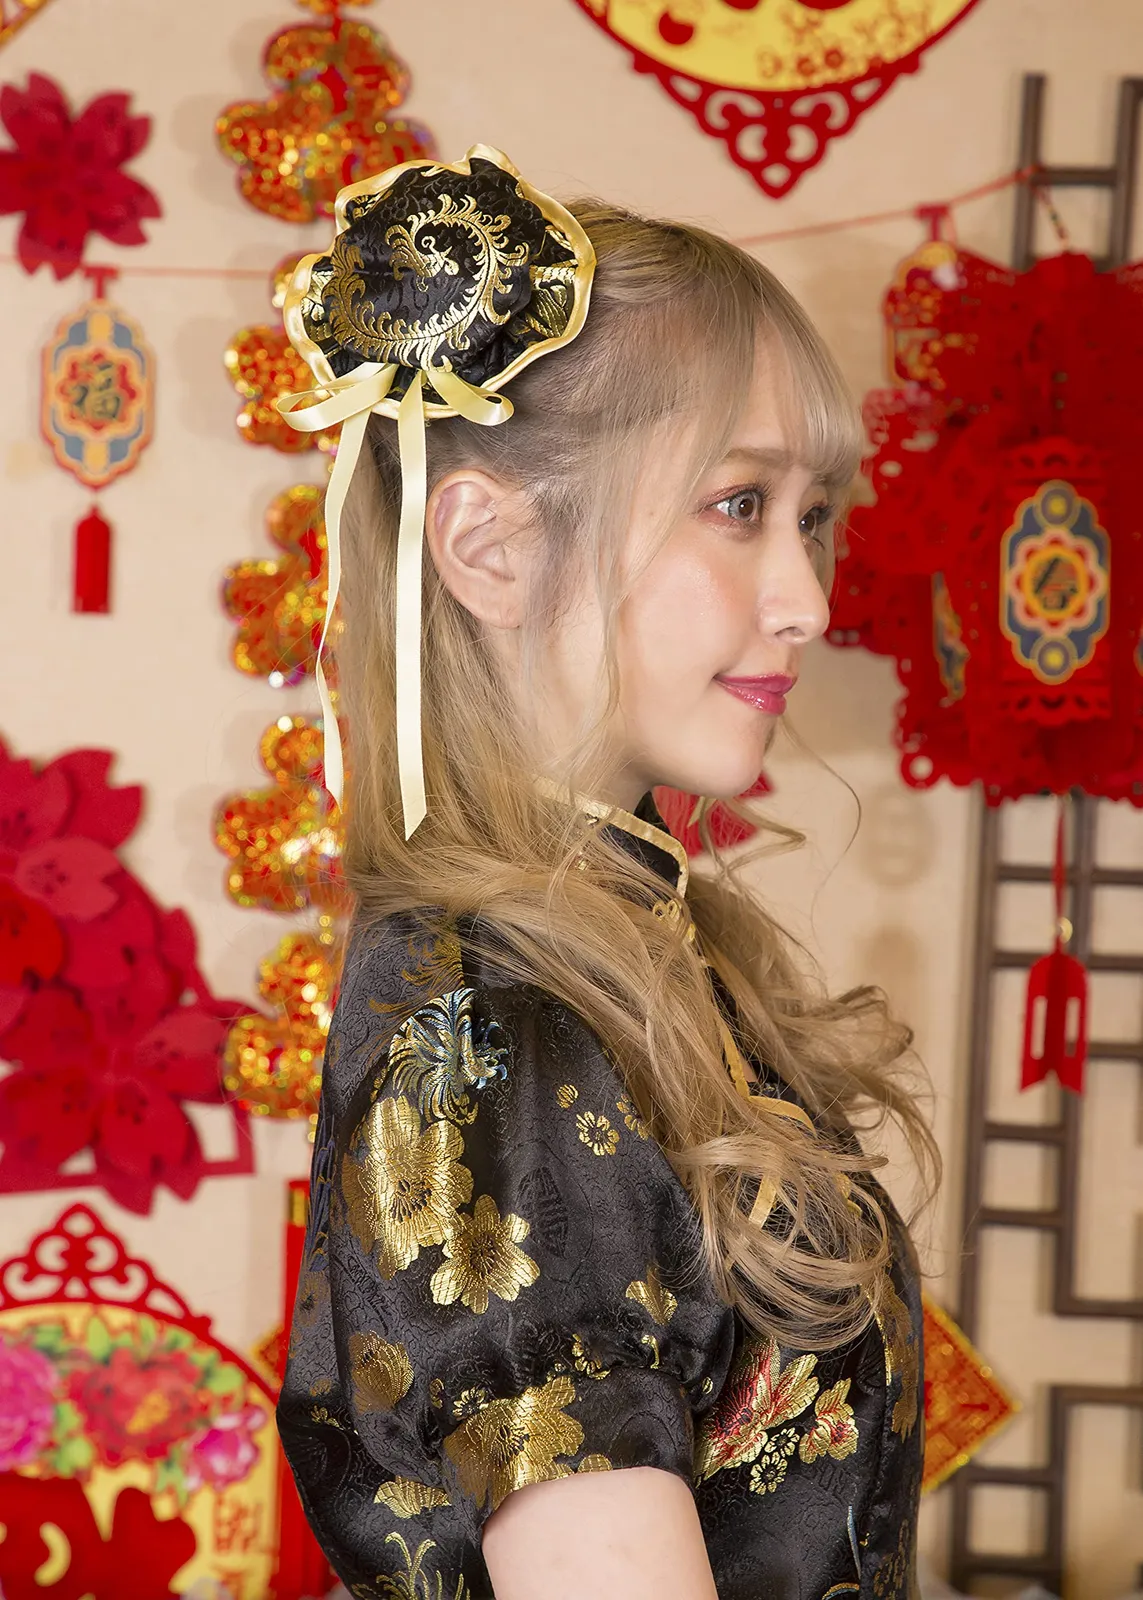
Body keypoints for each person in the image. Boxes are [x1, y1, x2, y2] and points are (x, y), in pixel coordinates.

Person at [275, 146, 936, 1600]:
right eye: (739, 504)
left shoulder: (616, 958)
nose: (806, 600)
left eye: (812, 516)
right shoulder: (499, 1022)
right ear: (491, 547)